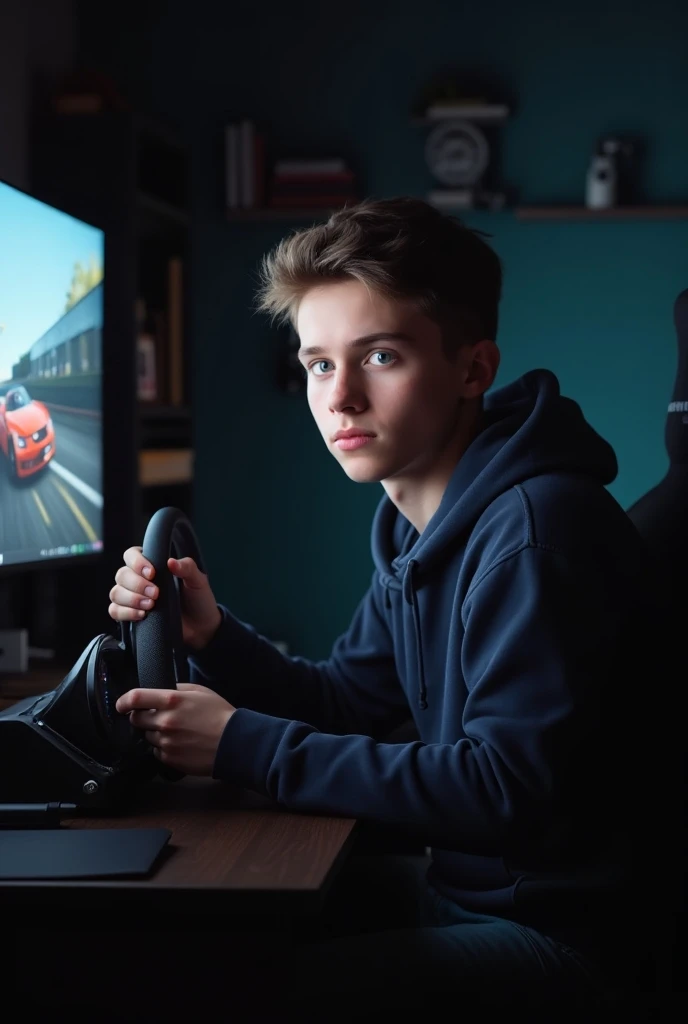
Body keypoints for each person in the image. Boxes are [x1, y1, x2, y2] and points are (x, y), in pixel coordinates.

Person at [110, 197, 663, 1020]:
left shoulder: (535, 535)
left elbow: (502, 788)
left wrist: (239, 744)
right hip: (477, 891)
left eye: (380, 357)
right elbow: (352, 705)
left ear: (473, 368)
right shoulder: (421, 524)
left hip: (568, 940)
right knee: (193, 940)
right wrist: (213, 636)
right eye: (320, 364)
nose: (341, 401)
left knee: (230, 991)